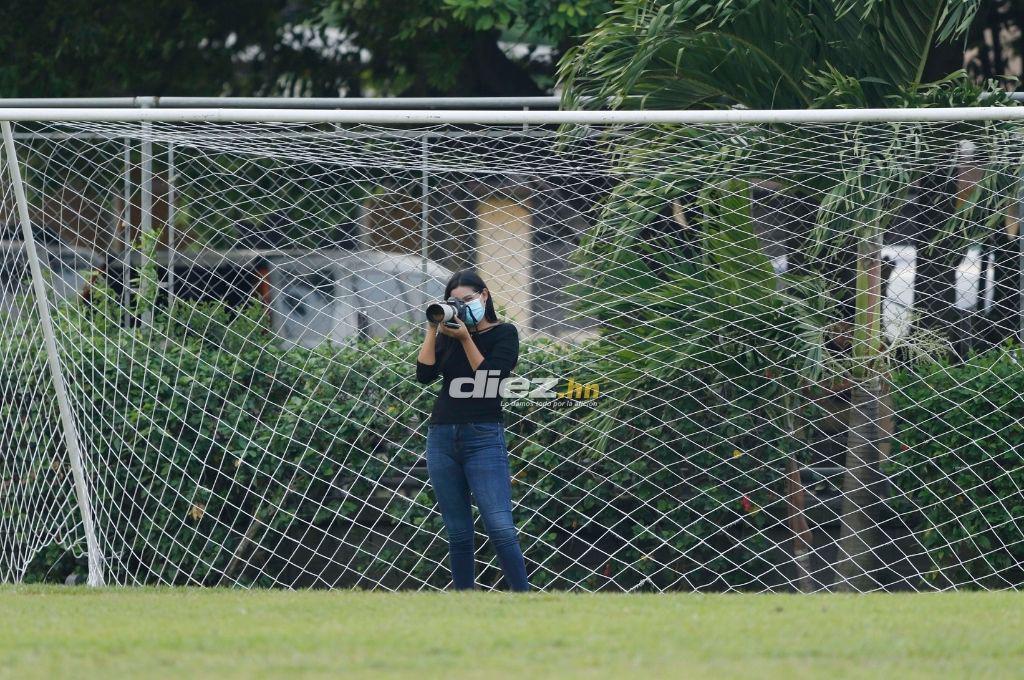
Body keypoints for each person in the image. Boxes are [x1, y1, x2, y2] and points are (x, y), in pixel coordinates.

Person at [415, 269, 530, 592]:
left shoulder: (504, 333)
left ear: (485, 296)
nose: (463, 306)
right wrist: (432, 326)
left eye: (468, 299)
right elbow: (424, 375)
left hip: (483, 436)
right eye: (455, 301)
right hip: (441, 437)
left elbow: (490, 380)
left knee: (500, 526)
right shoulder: (446, 335)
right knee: (458, 532)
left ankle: (524, 598)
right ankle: (465, 602)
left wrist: (466, 338)